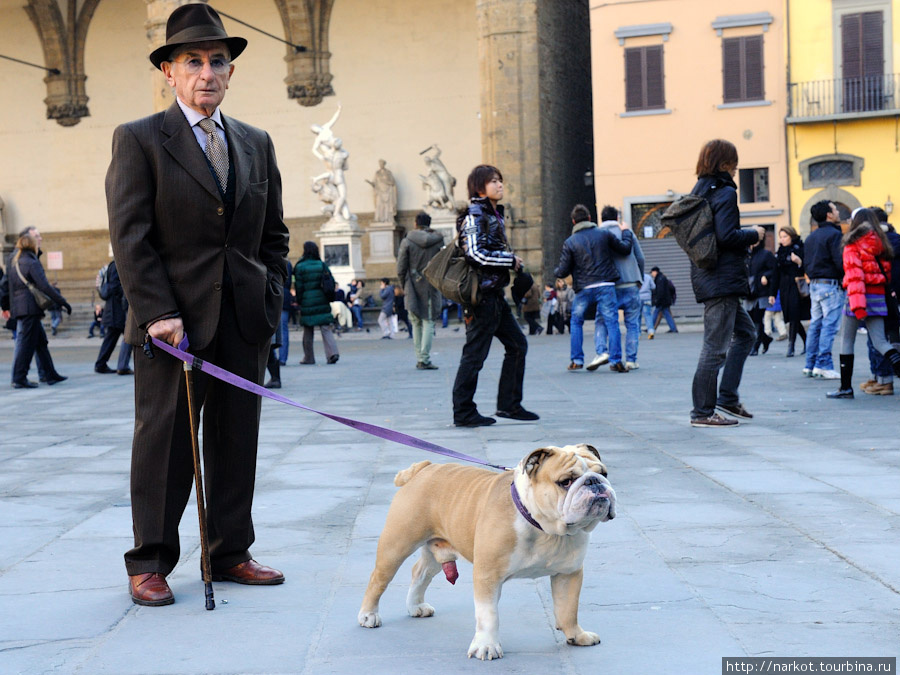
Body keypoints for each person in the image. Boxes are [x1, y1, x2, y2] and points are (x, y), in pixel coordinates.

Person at [106, 4, 290, 606]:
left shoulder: (256, 143)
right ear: (168, 71)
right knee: (164, 445)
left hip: (242, 319)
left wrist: (271, 292)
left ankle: (230, 551)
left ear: (230, 73)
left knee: (238, 439)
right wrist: (158, 311)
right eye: (193, 62)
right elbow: (130, 236)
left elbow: (274, 235)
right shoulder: (139, 140)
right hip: (171, 328)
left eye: (218, 61)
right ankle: (150, 560)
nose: (206, 72)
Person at [451, 164, 537, 426]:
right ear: (479, 187)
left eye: (500, 180)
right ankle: (464, 412)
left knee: (517, 345)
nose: (499, 185)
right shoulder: (475, 215)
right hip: (482, 298)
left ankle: (509, 405)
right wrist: (509, 260)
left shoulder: (492, 214)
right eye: (493, 181)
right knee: (474, 355)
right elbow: (474, 254)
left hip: (494, 296)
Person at [687, 139, 765, 428]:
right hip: (722, 279)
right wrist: (753, 233)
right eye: (734, 161)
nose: (736, 167)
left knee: (746, 334)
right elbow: (726, 236)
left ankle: (727, 397)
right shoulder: (725, 192)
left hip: (709, 274)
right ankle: (703, 412)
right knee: (715, 347)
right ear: (724, 163)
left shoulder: (700, 190)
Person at [826, 208, 900, 398]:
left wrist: (858, 307)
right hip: (878, 297)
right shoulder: (881, 243)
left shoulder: (852, 244)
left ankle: (845, 388)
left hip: (857, 298)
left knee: (846, 340)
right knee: (880, 341)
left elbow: (854, 276)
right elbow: (886, 273)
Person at [554, 204, 634, 372]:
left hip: (584, 287)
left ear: (574, 221)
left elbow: (562, 270)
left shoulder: (570, 242)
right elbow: (625, 249)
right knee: (612, 322)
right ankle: (615, 360)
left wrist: (555, 271)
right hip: (605, 285)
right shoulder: (604, 234)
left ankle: (577, 360)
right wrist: (626, 232)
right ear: (590, 218)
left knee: (576, 321)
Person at [7, 227, 70, 388]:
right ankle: (19, 378)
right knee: (26, 345)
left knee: (40, 343)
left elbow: (10, 288)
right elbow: (45, 287)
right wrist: (63, 302)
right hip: (30, 309)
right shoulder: (31, 261)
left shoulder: (15, 261)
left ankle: (50, 374)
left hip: (22, 308)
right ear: (31, 244)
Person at [597, 205, 645, 370]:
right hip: (631, 283)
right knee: (632, 324)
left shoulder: (598, 235)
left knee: (603, 320)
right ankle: (631, 359)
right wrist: (639, 278)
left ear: (601, 219)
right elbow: (640, 257)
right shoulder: (628, 233)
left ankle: (602, 351)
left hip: (609, 286)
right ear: (617, 218)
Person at [802, 200, 845, 379]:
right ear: (829, 214)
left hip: (815, 284)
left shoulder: (811, 236)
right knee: (829, 325)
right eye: (835, 209)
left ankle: (810, 364)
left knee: (816, 325)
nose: (837, 212)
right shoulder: (834, 234)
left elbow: (806, 262)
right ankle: (824, 364)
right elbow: (840, 261)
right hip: (830, 284)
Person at [396, 211, 443, 369]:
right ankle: (424, 358)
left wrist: (405, 285)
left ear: (416, 223)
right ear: (429, 224)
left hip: (412, 284)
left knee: (416, 322)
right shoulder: (438, 240)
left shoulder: (407, 241)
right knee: (429, 321)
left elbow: (401, 267)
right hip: (431, 284)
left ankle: (420, 357)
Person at [293, 242, 339, 365]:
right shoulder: (321, 265)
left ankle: (309, 357)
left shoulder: (300, 266)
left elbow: (299, 286)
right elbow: (331, 281)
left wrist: (299, 300)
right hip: (322, 299)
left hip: (307, 300)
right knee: (326, 328)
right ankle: (332, 353)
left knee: (308, 330)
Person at [774, 226, 809, 357]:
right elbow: (776, 273)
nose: (782, 239)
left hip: (796, 286)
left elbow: (807, 266)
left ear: (792, 236)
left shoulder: (800, 249)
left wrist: (799, 262)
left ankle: (791, 345)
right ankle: (806, 341)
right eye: (781, 237)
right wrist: (772, 293)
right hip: (784, 288)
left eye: (785, 236)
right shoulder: (780, 252)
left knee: (794, 315)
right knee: (790, 317)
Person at [93, 260, 133, 374]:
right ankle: (121, 366)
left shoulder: (114, 265)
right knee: (126, 336)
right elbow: (115, 285)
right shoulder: (116, 265)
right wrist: (127, 294)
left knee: (111, 339)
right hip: (116, 310)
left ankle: (101, 364)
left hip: (114, 310)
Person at [745, 238, 777, 356]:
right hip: (748, 292)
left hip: (761, 292)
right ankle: (766, 339)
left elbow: (774, 271)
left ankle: (755, 346)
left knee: (758, 319)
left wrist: (766, 276)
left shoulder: (766, 254)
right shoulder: (746, 255)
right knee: (751, 319)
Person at [650, 266, 678, 335]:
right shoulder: (661, 278)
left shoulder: (660, 279)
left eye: (652, 272)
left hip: (662, 301)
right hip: (664, 300)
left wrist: (657, 300)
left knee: (656, 313)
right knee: (667, 314)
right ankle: (673, 328)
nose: (651, 274)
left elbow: (660, 291)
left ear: (655, 271)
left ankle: (650, 327)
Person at [639, 271, 655, 338]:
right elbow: (653, 286)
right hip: (647, 298)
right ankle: (651, 331)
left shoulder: (635, 276)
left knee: (637, 316)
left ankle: (637, 333)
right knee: (648, 315)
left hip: (638, 297)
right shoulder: (648, 277)